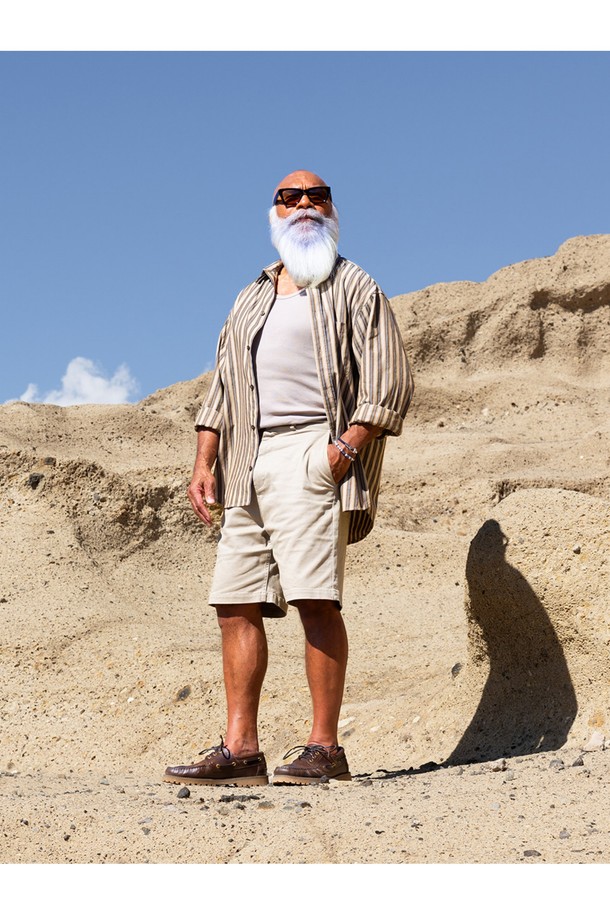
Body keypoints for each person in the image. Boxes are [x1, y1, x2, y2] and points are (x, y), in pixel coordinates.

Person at [164, 170, 414, 787]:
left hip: (313, 451)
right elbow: (222, 388)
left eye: (316, 196)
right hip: (247, 459)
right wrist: (204, 461)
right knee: (233, 601)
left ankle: (325, 748)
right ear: (274, 212)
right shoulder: (251, 295)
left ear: (331, 210)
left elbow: (389, 379)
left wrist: (344, 449)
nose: (303, 204)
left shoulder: (354, 284)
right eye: (289, 197)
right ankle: (241, 749)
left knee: (314, 598)